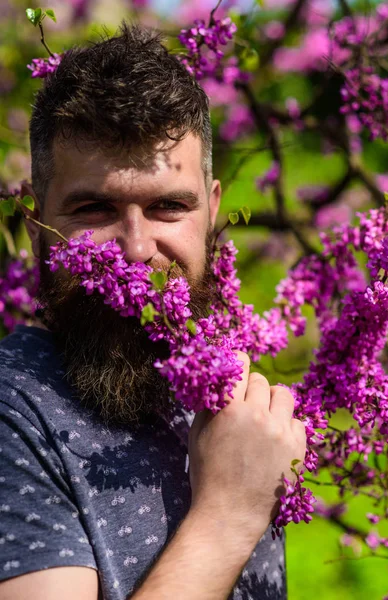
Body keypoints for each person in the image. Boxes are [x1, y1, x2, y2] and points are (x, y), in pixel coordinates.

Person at [0, 23, 306, 600]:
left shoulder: (220, 391)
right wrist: (228, 517)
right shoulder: (12, 408)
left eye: (168, 206)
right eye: (94, 207)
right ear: (38, 220)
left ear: (212, 211)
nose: (136, 250)